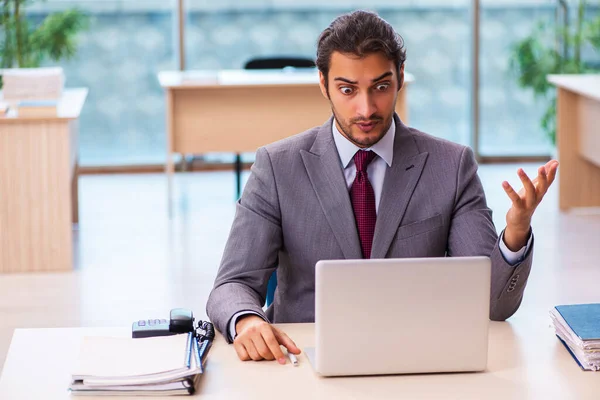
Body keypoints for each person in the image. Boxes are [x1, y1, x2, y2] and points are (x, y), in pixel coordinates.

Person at [206, 10, 559, 365]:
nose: (366, 108)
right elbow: (231, 285)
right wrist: (247, 321)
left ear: (400, 78)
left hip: (419, 359)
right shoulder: (277, 167)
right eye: (347, 89)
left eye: (381, 87)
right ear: (322, 83)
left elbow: (492, 304)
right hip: (304, 362)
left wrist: (515, 232)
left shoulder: (451, 166)